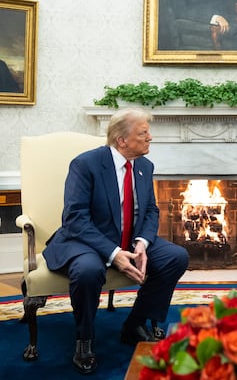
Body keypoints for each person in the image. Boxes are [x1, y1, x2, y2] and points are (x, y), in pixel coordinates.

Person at [43, 108, 189, 374]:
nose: (150, 138)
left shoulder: (144, 166)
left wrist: (143, 242)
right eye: (144, 133)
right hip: (85, 241)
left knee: (175, 257)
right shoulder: (85, 164)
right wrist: (113, 253)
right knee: (88, 270)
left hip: (129, 239)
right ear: (122, 140)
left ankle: (135, 324)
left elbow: (151, 210)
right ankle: (84, 340)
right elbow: (74, 218)